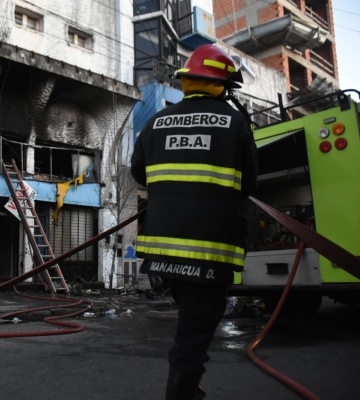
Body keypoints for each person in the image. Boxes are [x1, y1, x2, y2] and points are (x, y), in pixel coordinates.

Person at [131, 44, 258, 399]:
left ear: (188, 81)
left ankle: (187, 387)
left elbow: (138, 172)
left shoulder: (157, 122)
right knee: (193, 333)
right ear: (225, 85)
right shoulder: (234, 122)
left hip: (163, 252)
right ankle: (183, 392)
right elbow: (249, 184)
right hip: (209, 250)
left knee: (190, 324)